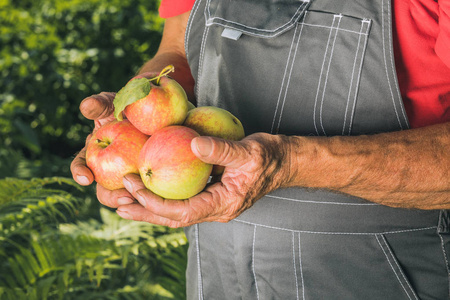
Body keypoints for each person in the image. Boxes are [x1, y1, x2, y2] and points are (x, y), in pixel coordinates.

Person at [71, 0, 450, 299]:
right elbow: (178, 53)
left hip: (379, 275)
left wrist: (289, 163)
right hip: (216, 271)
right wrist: (136, 118)